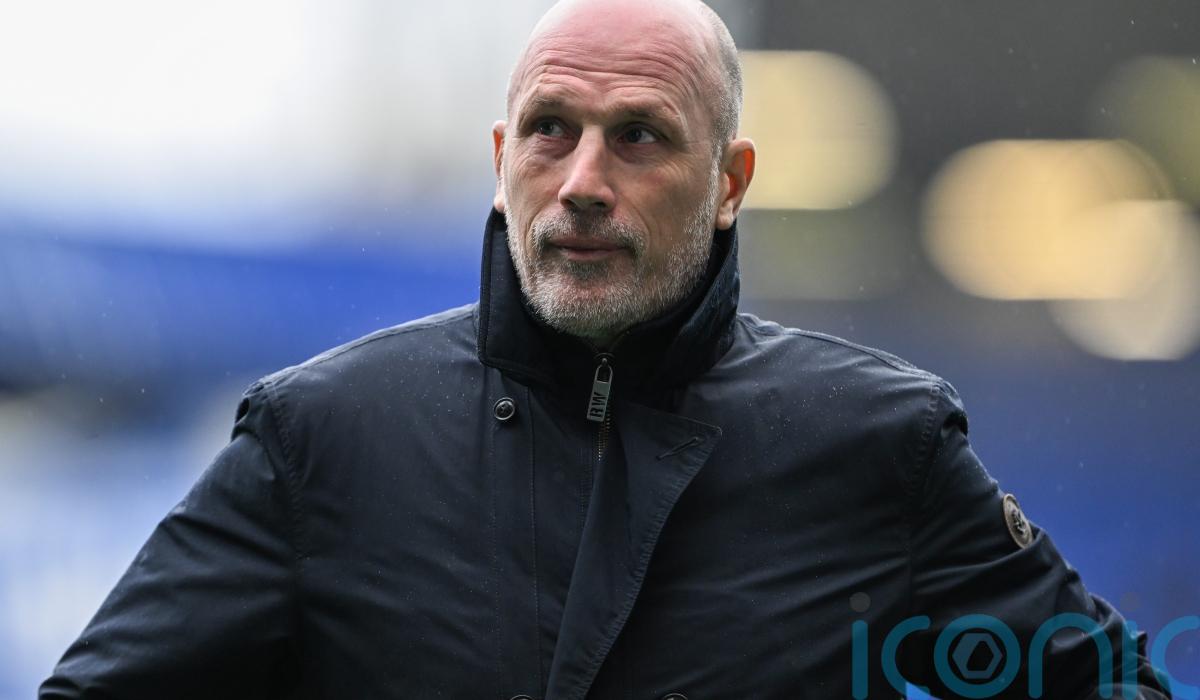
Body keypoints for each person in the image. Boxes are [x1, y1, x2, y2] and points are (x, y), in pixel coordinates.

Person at [42, 0, 1170, 698]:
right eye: (551, 130)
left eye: (637, 135)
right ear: (502, 161)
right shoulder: (324, 434)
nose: (582, 181)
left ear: (729, 184)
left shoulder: (875, 442)